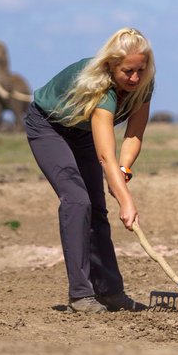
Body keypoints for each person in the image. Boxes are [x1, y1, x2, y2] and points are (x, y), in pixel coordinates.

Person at [25, 27, 156, 313]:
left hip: (82, 132)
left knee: (97, 208)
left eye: (140, 70)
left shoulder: (144, 83)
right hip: (49, 126)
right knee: (77, 199)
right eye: (127, 71)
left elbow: (134, 134)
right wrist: (126, 201)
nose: (134, 78)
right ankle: (81, 295)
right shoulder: (102, 88)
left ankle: (110, 293)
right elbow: (105, 156)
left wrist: (124, 170)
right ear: (111, 65)